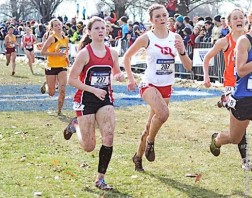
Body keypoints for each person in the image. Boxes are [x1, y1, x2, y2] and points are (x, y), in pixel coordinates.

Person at [123, 4, 192, 172]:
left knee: (150, 125)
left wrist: (182, 51)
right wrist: (131, 78)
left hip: (166, 85)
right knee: (163, 113)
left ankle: (138, 156)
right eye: (157, 17)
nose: (162, 19)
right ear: (151, 20)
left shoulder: (175, 37)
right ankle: (150, 144)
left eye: (164, 15)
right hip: (149, 84)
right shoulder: (147, 38)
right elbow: (126, 57)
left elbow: (188, 66)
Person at [63, 16, 124, 190]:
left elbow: (116, 72)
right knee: (89, 146)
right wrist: (93, 90)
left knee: (109, 136)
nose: (100, 31)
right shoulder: (85, 54)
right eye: (96, 28)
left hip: (105, 98)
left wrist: (119, 76)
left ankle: (100, 179)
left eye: (103, 28)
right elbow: (72, 80)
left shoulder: (112, 52)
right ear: (89, 32)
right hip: (86, 98)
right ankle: (75, 126)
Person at [204, 8, 251, 170]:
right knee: (241, 128)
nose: (239, 20)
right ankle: (245, 160)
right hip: (232, 86)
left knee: (241, 127)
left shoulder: (248, 38)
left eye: (241, 17)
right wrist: (206, 76)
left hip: (247, 86)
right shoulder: (225, 41)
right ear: (229, 23)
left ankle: (244, 160)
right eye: (235, 18)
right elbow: (208, 57)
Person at [40, 18, 69, 116]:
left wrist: (66, 57)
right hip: (51, 66)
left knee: (63, 88)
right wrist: (55, 54)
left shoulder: (65, 39)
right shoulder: (52, 38)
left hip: (62, 66)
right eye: (55, 25)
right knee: (51, 93)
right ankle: (48, 85)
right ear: (52, 28)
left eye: (59, 24)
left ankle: (59, 110)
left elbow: (65, 51)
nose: (58, 27)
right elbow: (42, 52)